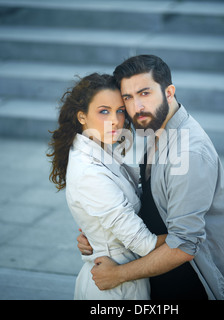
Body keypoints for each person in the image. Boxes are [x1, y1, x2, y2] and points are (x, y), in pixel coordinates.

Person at [77, 55, 224, 300]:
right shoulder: (157, 127)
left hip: (189, 286)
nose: (136, 107)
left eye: (145, 93)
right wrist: (102, 234)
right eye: (127, 97)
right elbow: (153, 201)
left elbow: (184, 245)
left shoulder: (189, 154)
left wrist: (118, 274)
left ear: (169, 92)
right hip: (159, 279)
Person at [47, 73, 166, 299]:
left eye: (120, 111)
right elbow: (145, 244)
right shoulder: (90, 171)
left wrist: (93, 232)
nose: (116, 120)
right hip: (115, 288)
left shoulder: (99, 147)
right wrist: (193, 237)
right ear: (81, 116)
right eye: (104, 111)